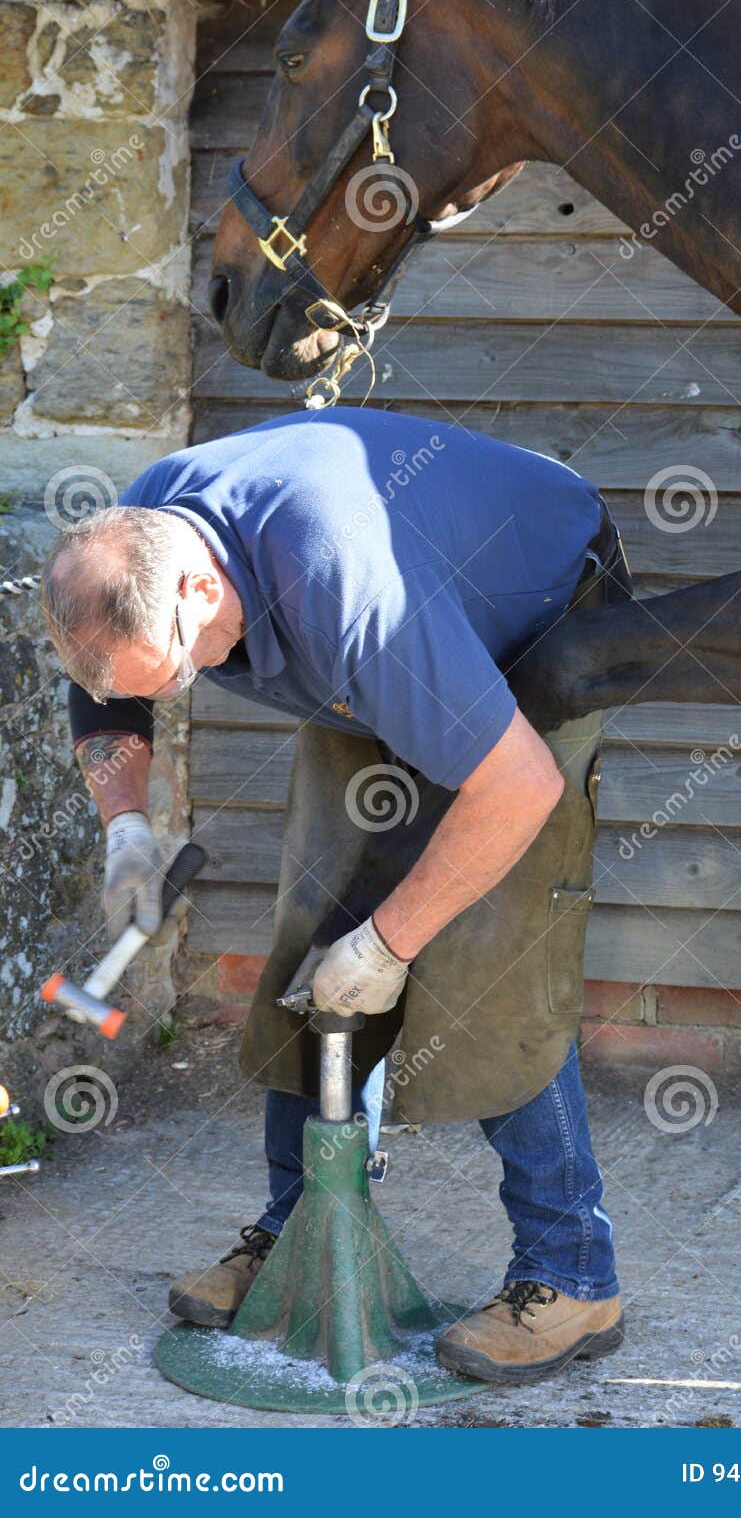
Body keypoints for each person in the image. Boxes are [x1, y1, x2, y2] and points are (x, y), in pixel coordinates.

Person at [38, 404, 632, 1385]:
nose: (184, 687)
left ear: (199, 582)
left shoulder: (346, 589)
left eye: (185, 665)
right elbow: (112, 689)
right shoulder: (134, 537)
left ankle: (573, 1270)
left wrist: (394, 943)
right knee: (316, 941)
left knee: (489, 961)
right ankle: (302, 1230)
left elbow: (517, 785)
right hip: (373, 655)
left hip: (538, 625)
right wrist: (127, 826)